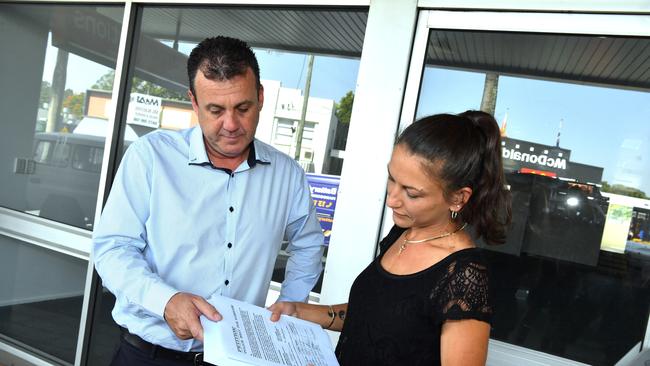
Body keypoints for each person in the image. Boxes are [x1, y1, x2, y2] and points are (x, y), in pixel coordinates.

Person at [93, 36, 325, 366]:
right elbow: (112, 248)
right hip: (147, 356)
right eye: (215, 110)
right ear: (193, 102)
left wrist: (288, 309)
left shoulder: (287, 175)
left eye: (242, 108)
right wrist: (166, 301)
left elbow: (309, 245)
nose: (230, 125)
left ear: (260, 97)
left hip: (236, 359)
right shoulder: (151, 157)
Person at [270, 111, 512, 366]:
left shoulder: (464, 275)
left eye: (412, 193)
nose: (392, 199)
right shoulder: (404, 233)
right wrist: (301, 311)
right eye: (392, 179)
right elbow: (379, 314)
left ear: (458, 198)